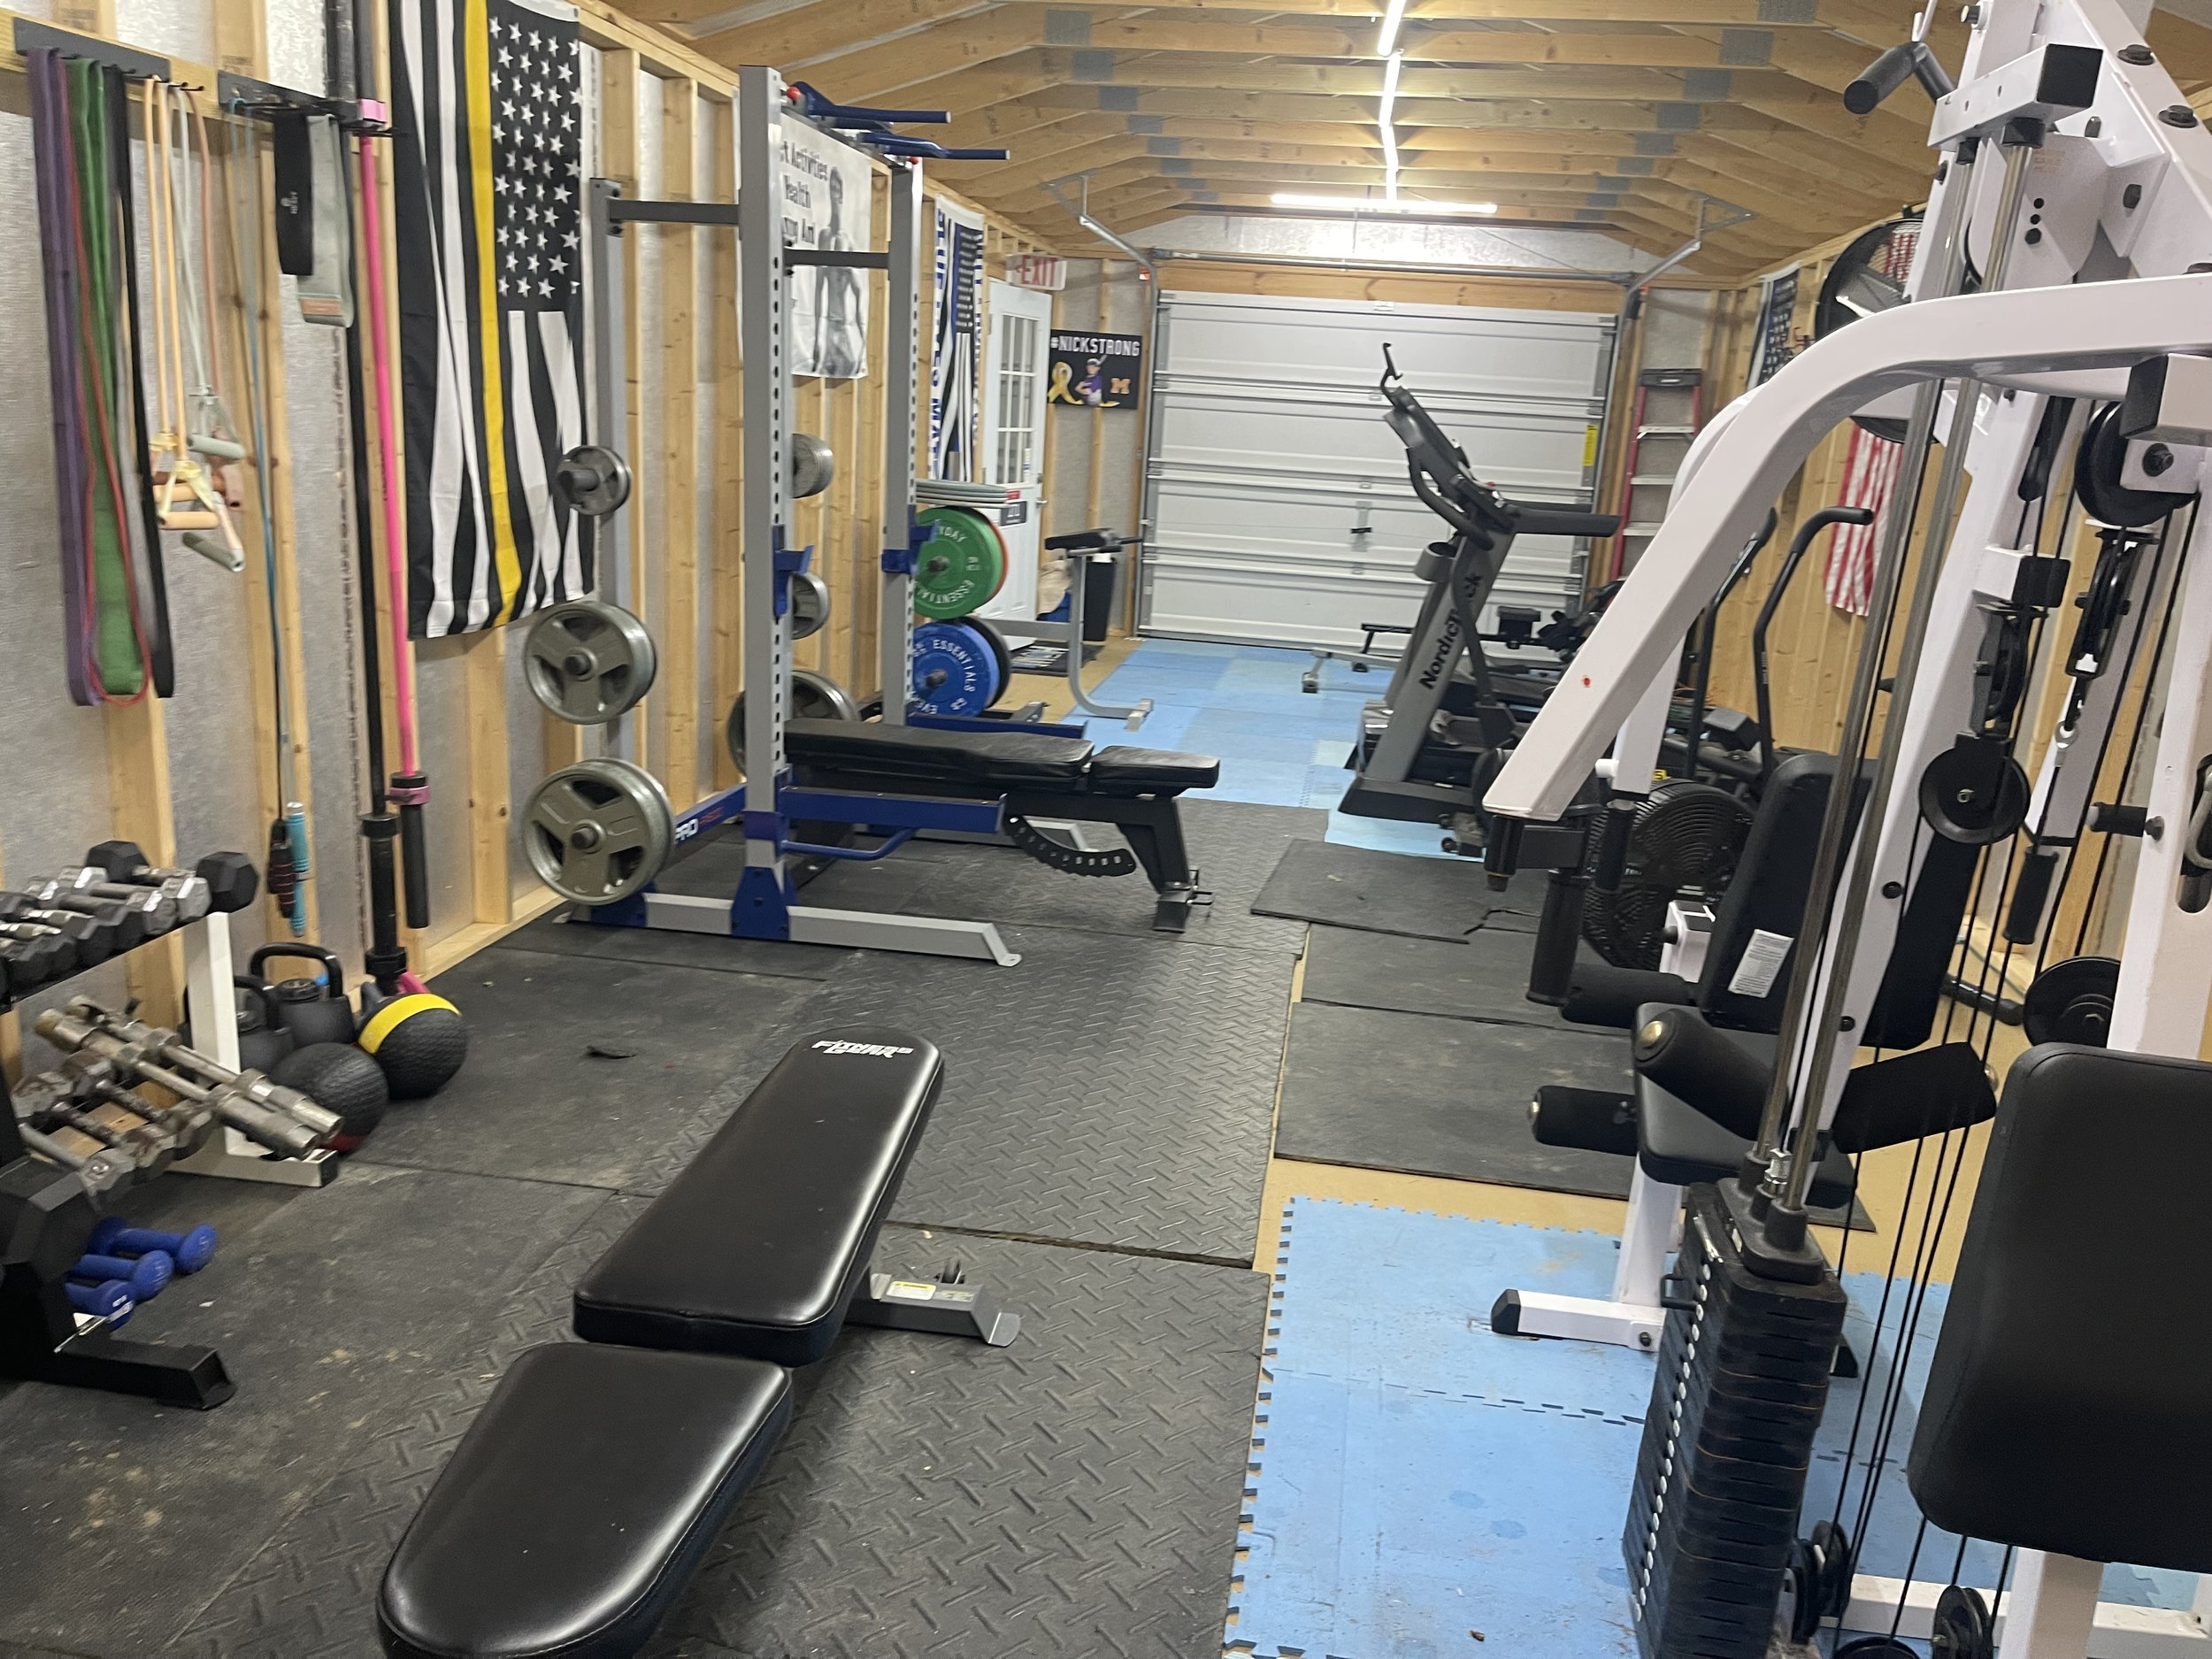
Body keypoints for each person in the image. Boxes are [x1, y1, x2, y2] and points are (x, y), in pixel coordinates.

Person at [813, 170, 863, 379]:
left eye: (837, 190)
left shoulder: (848, 241)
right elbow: (818, 289)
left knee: (849, 370)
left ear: (842, 195)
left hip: (846, 324)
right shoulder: (824, 236)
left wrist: (863, 337)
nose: (834, 195)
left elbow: (859, 291)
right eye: (831, 189)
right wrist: (817, 336)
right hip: (830, 325)